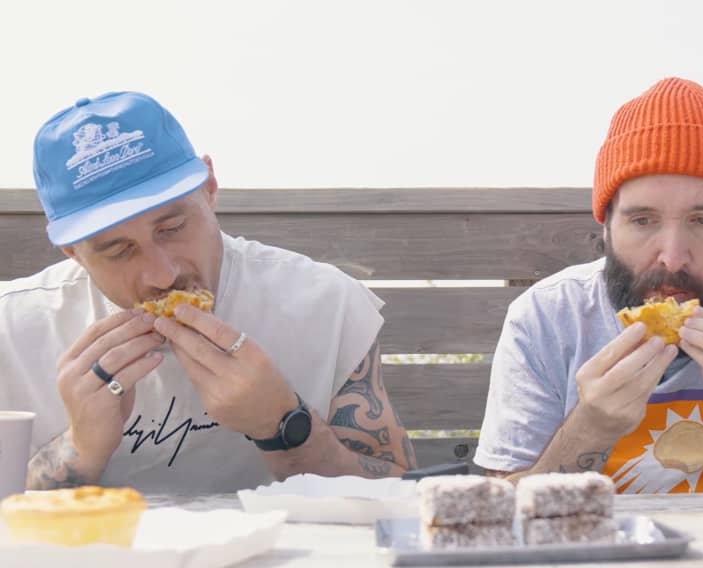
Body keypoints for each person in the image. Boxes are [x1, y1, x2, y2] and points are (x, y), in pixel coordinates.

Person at [0, 91, 416, 493]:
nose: (162, 276)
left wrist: (283, 425)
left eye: (172, 228)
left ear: (210, 188)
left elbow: (396, 494)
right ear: (73, 252)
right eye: (119, 251)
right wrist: (80, 446)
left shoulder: (326, 305)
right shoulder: (14, 330)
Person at [475, 77, 703, 493]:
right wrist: (590, 427)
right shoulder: (545, 319)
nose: (672, 257)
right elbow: (503, 512)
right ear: (606, 227)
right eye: (642, 220)